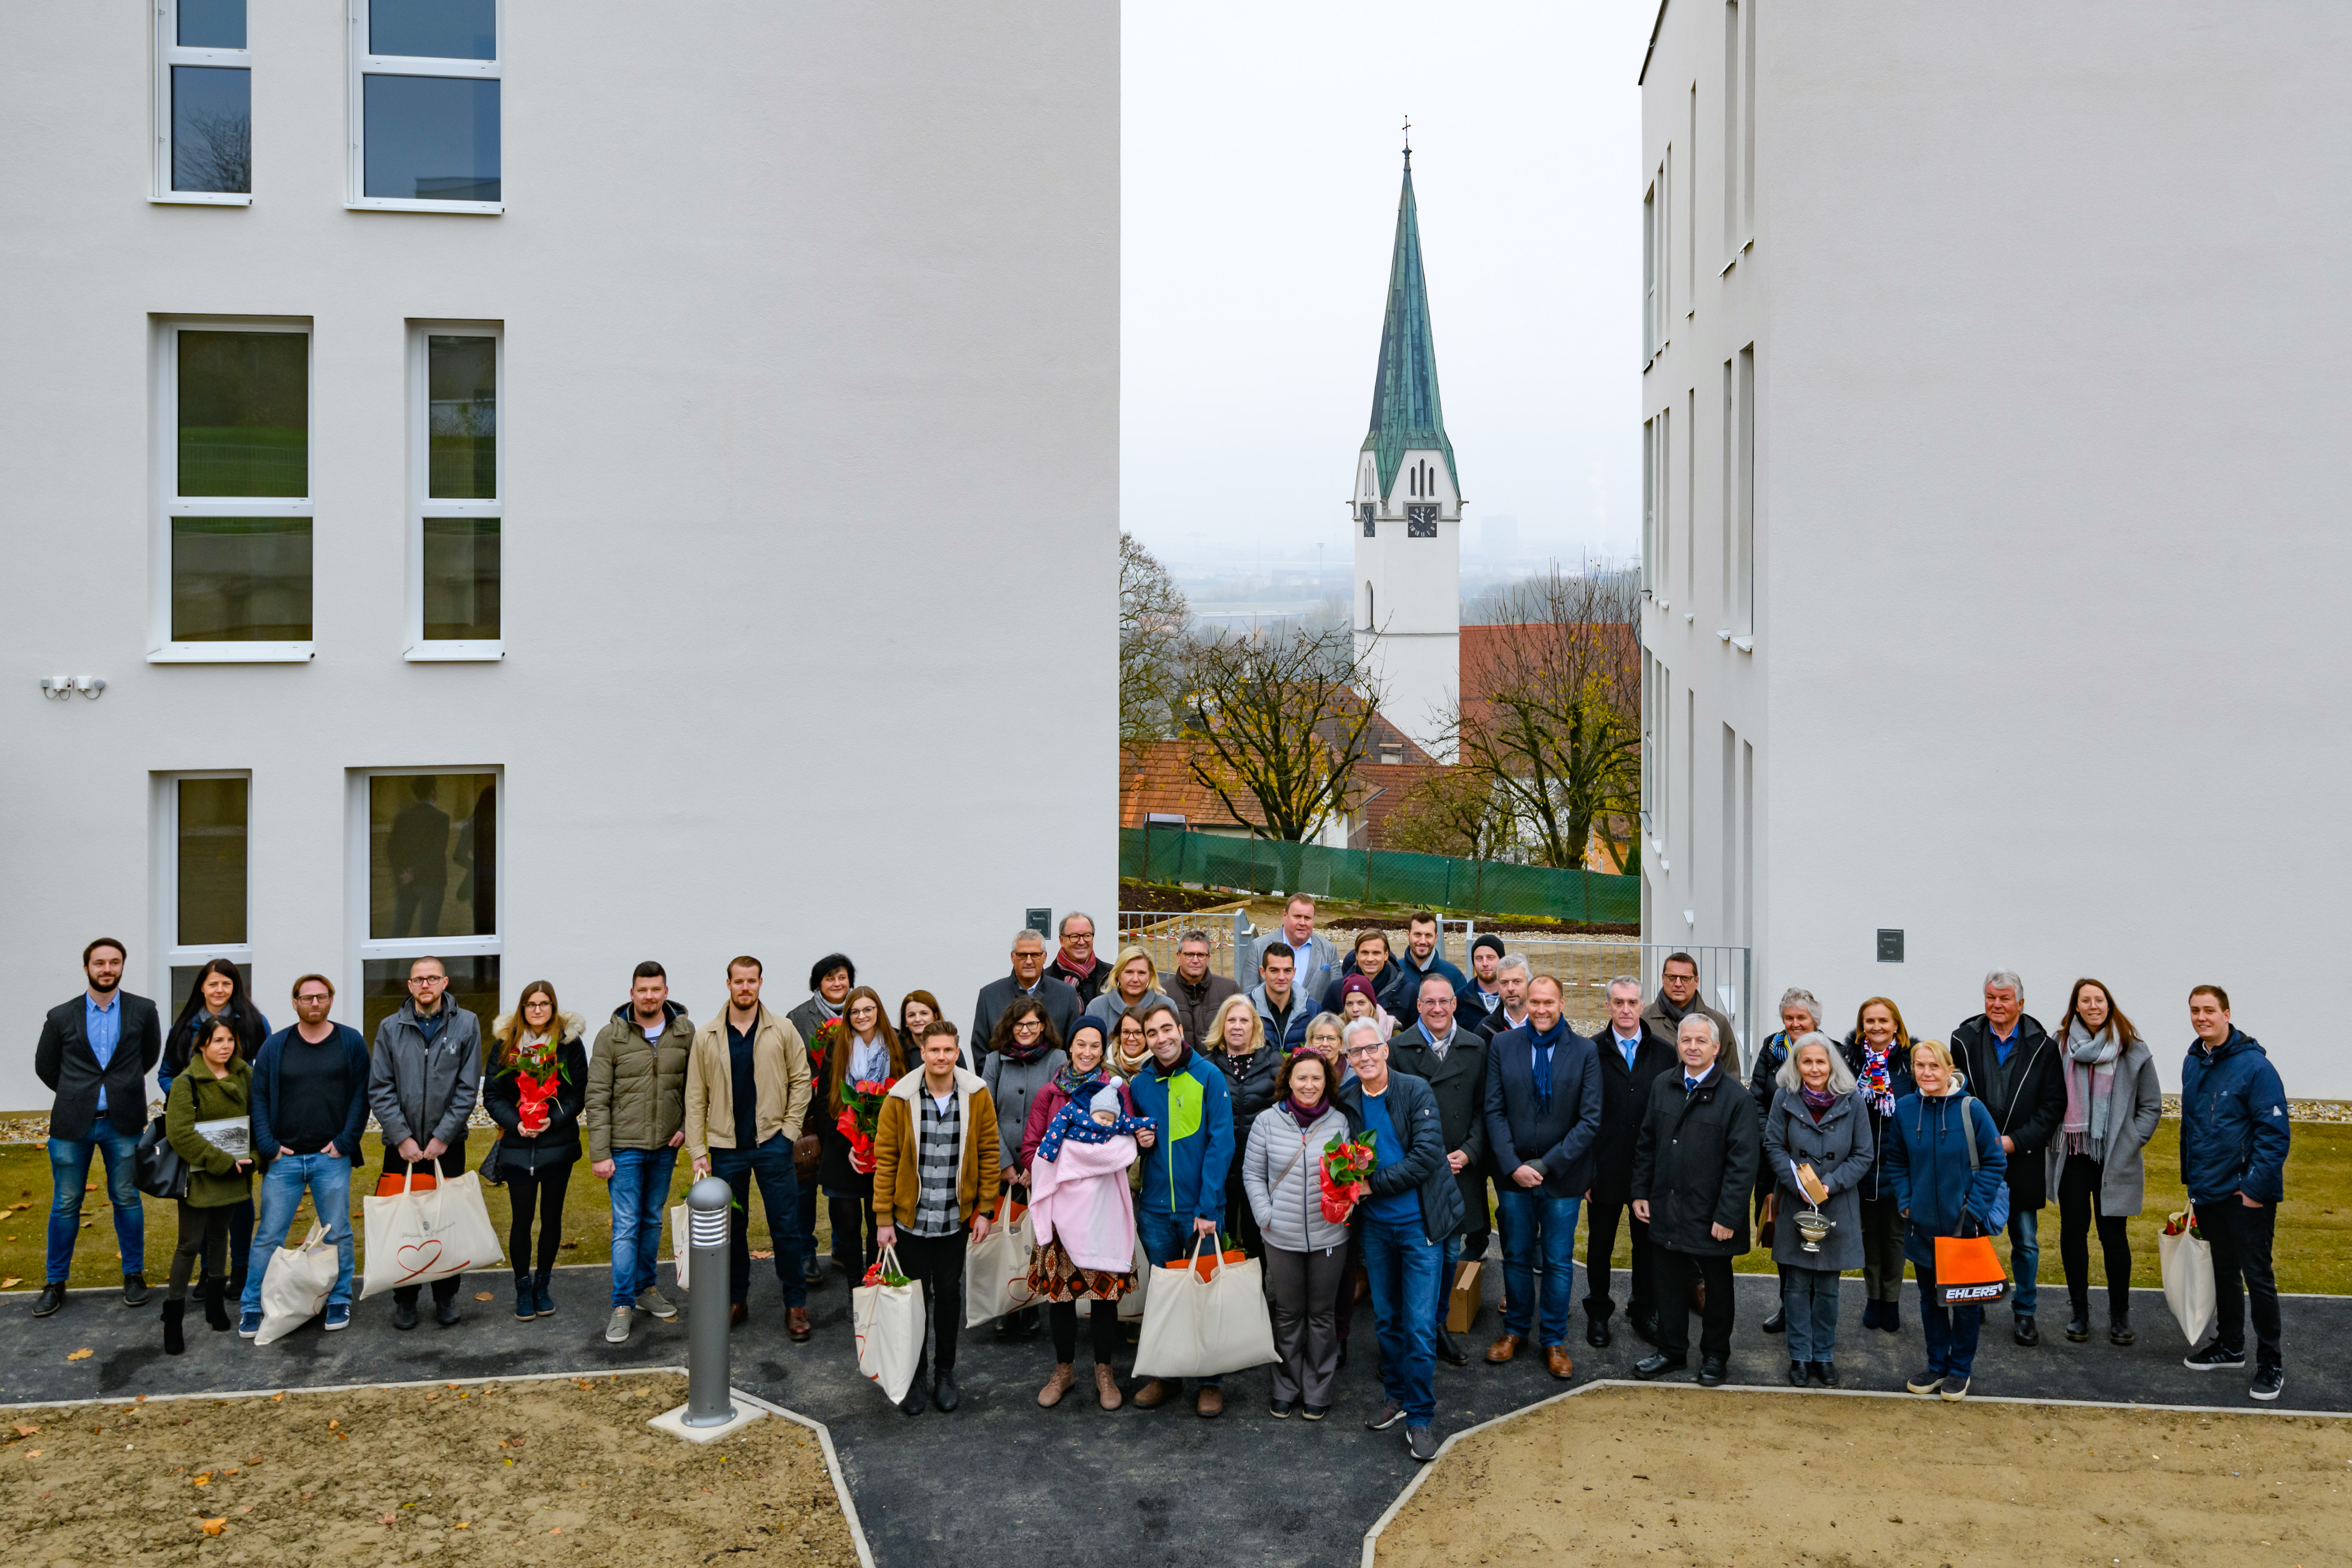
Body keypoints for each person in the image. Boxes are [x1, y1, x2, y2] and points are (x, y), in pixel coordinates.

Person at [1332, 1018, 1460, 1463]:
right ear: (1348, 1060)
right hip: (1376, 1230)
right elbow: (1341, 1159)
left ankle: (1421, 1416)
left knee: (1421, 1327)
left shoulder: (1415, 1090)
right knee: (1387, 1321)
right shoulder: (1347, 1101)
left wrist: (1370, 1187)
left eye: (1371, 1048)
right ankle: (1397, 1395)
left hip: (1420, 1226)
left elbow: (1427, 1155)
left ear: (1386, 1049)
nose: (1364, 1058)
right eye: (1355, 1053)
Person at [872, 1020, 1000, 1414]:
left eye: (949, 1050)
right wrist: (883, 1218)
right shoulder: (901, 1097)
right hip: (910, 1220)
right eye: (935, 1051)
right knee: (912, 1302)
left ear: (957, 1052)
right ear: (922, 1052)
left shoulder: (976, 1095)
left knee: (947, 1299)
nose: (942, 1057)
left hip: (953, 1220)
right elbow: (886, 1159)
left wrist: (985, 1209)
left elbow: (990, 1152)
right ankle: (913, 1377)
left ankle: (945, 1373)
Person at [34, 938, 163, 1317]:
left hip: (123, 1122)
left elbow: (149, 1056)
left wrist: (118, 1088)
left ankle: (134, 1276)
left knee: (126, 1197)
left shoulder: (143, 1010)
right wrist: (79, 1092)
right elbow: (46, 1067)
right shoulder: (61, 1016)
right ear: (87, 967)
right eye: (99, 963)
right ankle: (55, 1282)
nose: (107, 969)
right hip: (72, 1123)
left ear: (123, 966)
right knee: (65, 1202)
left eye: (114, 962)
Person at [686, 955, 814, 1337]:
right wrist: (698, 1151)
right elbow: (695, 1096)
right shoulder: (708, 1035)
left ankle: (796, 1304)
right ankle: (735, 1299)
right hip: (728, 1149)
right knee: (731, 1229)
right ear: (728, 984)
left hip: (773, 1145)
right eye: (738, 982)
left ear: (761, 983)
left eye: (752, 981)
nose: (746, 988)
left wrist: (789, 1132)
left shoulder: (783, 1030)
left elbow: (802, 1081)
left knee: (786, 1228)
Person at [1482, 975, 1603, 1376]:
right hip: (1513, 1176)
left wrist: (1547, 1165)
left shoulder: (1585, 1052)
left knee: (1557, 1261)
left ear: (1563, 1003)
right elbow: (1494, 1111)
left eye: (1549, 1002)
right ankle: (1515, 1331)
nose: (1541, 1009)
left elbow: (1589, 1121)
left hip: (1562, 1178)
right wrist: (1513, 1165)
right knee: (1515, 1256)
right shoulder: (1503, 1045)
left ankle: (1554, 1340)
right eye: (1535, 1002)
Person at [1631, 1014, 1759, 1387]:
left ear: (1716, 1048)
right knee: (1668, 1283)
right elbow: (1647, 1144)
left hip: (1712, 1214)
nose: (1692, 1047)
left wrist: (1729, 1215)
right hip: (1667, 1206)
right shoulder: (1663, 1085)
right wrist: (1640, 1191)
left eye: (1701, 1041)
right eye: (1686, 1040)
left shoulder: (1736, 1099)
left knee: (1717, 1290)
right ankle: (1671, 1351)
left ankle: (1716, 1356)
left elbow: (1743, 1165)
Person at [1021, 1018, 1142, 1411]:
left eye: (1095, 1046)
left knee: (1104, 1295)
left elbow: (1124, 1143)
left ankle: (1104, 1371)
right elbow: (1032, 1149)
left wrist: (1086, 1161)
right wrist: (1065, 1170)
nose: (1087, 1052)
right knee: (1061, 1297)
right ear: (1069, 1048)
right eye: (1080, 1045)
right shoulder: (1049, 1094)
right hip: (1061, 1210)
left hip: (1103, 1209)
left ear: (1102, 1049)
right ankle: (1064, 1370)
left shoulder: (1116, 1090)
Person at [1124, 999, 1237, 1417]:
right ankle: (1166, 1375)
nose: (1160, 1039)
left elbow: (1221, 1144)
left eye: (1165, 1029)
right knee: (1166, 1298)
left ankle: (1210, 1381)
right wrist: (1137, 1140)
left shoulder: (1209, 1076)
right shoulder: (1139, 1085)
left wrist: (1207, 1208)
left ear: (1180, 1029)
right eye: (1151, 1034)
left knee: (1205, 1295)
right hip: (1154, 1210)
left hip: (1201, 1211)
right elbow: (1127, 1139)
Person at [240, 973, 369, 1337]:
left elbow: (362, 1096)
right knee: (269, 1235)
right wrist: (268, 1147)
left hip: (332, 1158)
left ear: (330, 1000)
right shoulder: (275, 1046)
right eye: (307, 997)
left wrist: (345, 1143)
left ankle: (340, 1297)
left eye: (322, 997)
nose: (315, 1003)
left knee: (339, 1232)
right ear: (294, 1002)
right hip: (284, 1161)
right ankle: (253, 1304)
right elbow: (259, 1100)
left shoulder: (350, 1042)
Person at [2179, 985, 2290, 1402]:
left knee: (2257, 1277)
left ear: (2227, 1013)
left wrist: (2254, 1190)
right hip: (2208, 1191)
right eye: (2195, 1011)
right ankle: (2230, 1346)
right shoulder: (2194, 1062)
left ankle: (2271, 1363)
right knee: (2223, 1271)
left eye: (2209, 1010)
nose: (2201, 1017)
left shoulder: (2256, 1069)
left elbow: (2274, 1134)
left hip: (2246, 1196)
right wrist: (2192, 1181)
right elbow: (2190, 1126)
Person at [1884, 1038, 2005, 1401]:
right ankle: (1937, 1365)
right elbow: (1898, 1161)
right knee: (1929, 1298)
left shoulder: (1972, 1110)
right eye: (1920, 1066)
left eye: (1934, 1066)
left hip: (1963, 1228)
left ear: (1949, 1068)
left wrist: (1974, 1210)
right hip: (1922, 1227)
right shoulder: (1905, 1110)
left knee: (1965, 1304)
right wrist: (1907, 1203)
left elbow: (1995, 1162)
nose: (1927, 1073)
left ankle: (1960, 1370)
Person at [369, 955, 485, 1328]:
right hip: (400, 1148)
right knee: (404, 1221)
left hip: (446, 1148)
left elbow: (468, 1089)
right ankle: (405, 1298)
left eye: (432, 978)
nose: (425, 985)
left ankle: (446, 1295)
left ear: (445, 983)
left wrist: (442, 1137)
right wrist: (401, 1138)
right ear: (409, 986)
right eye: (418, 979)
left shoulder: (467, 1024)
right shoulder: (390, 1028)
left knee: (444, 1221)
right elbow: (381, 1088)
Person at [1948, 970, 2063, 1346]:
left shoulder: (2044, 1047)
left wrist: (2013, 1142)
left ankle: (2025, 1312)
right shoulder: (1962, 1040)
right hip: (1972, 1158)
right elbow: (1952, 1094)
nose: (1997, 1005)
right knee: (1970, 1234)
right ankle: (1973, 1299)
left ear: (2021, 1004)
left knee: (2025, 1241)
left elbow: (2052, 1107)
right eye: (1991, 998)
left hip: (2022, 1158)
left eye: (2005, 999)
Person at [2047, 978, 2163, 1348]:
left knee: (2114, 1237)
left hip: (2115, 1157)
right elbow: (2047, 1095)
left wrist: (2130, 1140)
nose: (2093, 1006)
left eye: (2099, 1000)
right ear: (2076, 1006)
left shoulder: (2133, 1049)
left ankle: (2120, 1315)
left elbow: (2151, 1106)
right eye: (2086, 1001)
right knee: (2073, 1232)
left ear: (2109, 1005)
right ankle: (2079, 1312)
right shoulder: (2060, 1046)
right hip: (2074, 1153)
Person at [1387, 972, 1489, 1368]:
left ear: (1455, 1004)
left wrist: (1469, 1152)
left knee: (1449, 1255)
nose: (1437, 1009)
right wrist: (1422, 1157)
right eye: (1429, 1002)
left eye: (1444, 1001)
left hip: (1460, 1170)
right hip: (1419, 1171)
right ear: (1418, 1006)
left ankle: (1437, 1325)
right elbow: (1393, 1114)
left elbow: (1484, 1109)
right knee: (1415, 1257)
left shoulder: (1476, 1047)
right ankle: (1408, 1334)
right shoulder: (1398, 1049)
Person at [1243, 1048, 1352, 1419]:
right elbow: (1253, 1174)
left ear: (1327, 1083)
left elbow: (1347, 1175)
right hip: (1280, 1234)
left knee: (1322, 1315)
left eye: (1317, 1079)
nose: (1309, 1085)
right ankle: (1285, 1386)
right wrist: (1265, 1215)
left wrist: (1344, 1203)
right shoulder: (1267, 1123)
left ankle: (1318, 1388)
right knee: (1288, 1314)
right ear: (1288, 1080)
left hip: (1329, 1237)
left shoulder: (1339, 1122)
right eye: (1301, 1077)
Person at [588, 961, 692, 1345]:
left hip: (665, 1146)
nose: (649, 996)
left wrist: (684, 1129)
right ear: (632, 993)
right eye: (642, 990)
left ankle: (647, 1290)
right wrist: (600, 1153)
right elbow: (597, 1098)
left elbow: (694, 1089)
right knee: (626, 1226)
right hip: (624, 1149)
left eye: (656, 989)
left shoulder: (684, 1032)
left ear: (666, 992)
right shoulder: (610, 1037)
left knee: (652, 1221)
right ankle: (621, 1305)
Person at [1761, 1033, 1873, 1386]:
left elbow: (1863, 1154)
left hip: (1837, 1204)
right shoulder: (1784, 1097)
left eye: (1820, 1062)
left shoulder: (1853, 1101)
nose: (1813, 1068)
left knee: (1827, 1288)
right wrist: (1796, 1183)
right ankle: (1799, 1356)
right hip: (1796, 1202)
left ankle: (1824, 1356)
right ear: (1796, 1064)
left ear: (1832, 1064)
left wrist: (1831, 1184)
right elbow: (1773, 1145)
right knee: (1795, 1286)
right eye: (1806, 1061)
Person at [484, 982, 588, 1322]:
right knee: (522, 1220)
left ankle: (543, 1286)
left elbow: (577, 1094)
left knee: (552, 1219)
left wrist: (551, 1120)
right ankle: (522, 1287)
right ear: (523, 1008)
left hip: (556, 1146)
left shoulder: (569, 1045)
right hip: (517, 1147)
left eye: (544, 1004)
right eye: (531, 1004)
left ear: (554, 1007)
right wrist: (517, 1123)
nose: (538, 1010)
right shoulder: (506, 1044)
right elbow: (494, 1095)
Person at [1583, 975, 1676, 1349]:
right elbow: (1583, 1114)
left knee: (1647, 1247)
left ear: (1642, 1006)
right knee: (1600, 1246)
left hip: (1648, 1172)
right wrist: (1586, 1170)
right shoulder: (1591, 1052)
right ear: (1608, 1006)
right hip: (1604, 1168)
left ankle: (1643, 1311)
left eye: (1632, 1002)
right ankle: (1599, 1315)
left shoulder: (1665, 1054)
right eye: (1618, 1002)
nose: (1625, 1009)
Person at [158, 1019, 254, 1352]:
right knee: (188, 1245)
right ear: (202, 1045)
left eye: (230, 1040)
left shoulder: (245, 1076)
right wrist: (222, 1162)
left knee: (220, 1236)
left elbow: (258, 1120)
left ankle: (215, 1306)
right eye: (217, 1041)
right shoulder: (186, 1083)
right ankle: (173, 1320)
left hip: (235, 1174)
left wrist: (252, 1156)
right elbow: (180, 1134)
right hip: (200, 1176)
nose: (225, 1046)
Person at [982, 995, 1065, 1339]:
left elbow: (1060, 1114)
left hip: (1041, 1165)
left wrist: (1037, 1163)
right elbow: (984, 1113)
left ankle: (1031, 1304)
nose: (1027, 1030)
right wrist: (1004, 1163)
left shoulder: (1058, 1059)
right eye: (1020, 1025)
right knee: (1004, 1237)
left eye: (1033, 1024)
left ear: (1043, 1025)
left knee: (1037, 1237)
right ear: (1009, 1028)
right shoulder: (994, 1060)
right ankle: (1004, 1306)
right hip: (1003, 1168)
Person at [1839, 997, 1918, 1333]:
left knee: (1895, 1237)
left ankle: (1892, 1299)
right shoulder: (1849, 1062)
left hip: (1899, 1163)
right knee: (1868, 1234)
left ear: (1896, 1025)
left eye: (1883, 1021)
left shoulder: (1910, 1061)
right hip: (1862, 1164)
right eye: (1869, 1021)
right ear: (1862, 1027)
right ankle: (1873, 1297)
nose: (1876, 1027)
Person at [818, 985, 906, 1285]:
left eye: (868, 1009)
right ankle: (855, 1286)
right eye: (855, 1011)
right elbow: (827, 1101)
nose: (862, 1016)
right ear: (848, 1016)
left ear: (878, 1011)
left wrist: (884, 1142)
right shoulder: (837, 1046)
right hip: (845, 1149)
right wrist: (848, 1148)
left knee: (878, 1221)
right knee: (848, 1226)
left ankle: (875, 1281)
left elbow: (904, 1094)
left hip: (883, 1147)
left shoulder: (896, 1043)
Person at [1749, 987, 1825, 1337]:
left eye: (1802, 1018)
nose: (1795, 1024)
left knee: (1812, 1236)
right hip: (1774, 1159)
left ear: (1815, 1021)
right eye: (1789, 1018)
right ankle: (1787, 1305)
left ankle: (1812, 1310)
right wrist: (1773, 1138)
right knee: (1779, 1234)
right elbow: (1757, 1099)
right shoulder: (1770, 1048)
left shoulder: (1828, 1052)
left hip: (1816, 1165)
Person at [786, 954, 856, 1290]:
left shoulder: (862, 1012)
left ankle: (844, 1247)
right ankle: (805, 1252)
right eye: (830, 978)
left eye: (842, 977)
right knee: (805, 1186)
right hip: (811, 1116)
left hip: (851, 1117)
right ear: (818, 984)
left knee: (843, 1185)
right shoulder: (798, 1018)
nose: (837, 983)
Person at [1206, 993, 1281, 1258]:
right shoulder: (1207, 1065)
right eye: (1231, 1020)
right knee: (1218, 1238)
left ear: (1255, 1026)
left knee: (1255, 1237)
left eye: (1244, 1021)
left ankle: (1255, 1296)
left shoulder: (1273, 1062)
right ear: (1222, 1026)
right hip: (1220, 1167)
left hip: (1261, 1167)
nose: (1237, 1026)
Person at [973, 929, 1083, 1051]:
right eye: (1022, 955)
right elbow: (980, 1049)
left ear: (1045, 957)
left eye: (1035, 955)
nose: (1029, 961)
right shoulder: (989, 996)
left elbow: (1073, 1046)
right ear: (1012, 957)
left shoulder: (1066, 995)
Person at [1642, 952, 1741, 1081]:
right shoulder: (1643, 1020)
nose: (1678, 984)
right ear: (1663, 978)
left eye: (1685, 978)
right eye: (1672, 977)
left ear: (1696, 981)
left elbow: (1731, 1074)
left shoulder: (1718, 1022)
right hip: (1657, 1099)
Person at [387, 776, 451, 937]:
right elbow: (437, 852)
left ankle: (392, 963)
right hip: (432, 881)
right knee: (429, 931)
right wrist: (414, 871)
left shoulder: (403, 817)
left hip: (407, 881)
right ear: (433, 792)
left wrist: (402, 874)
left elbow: (392, 848)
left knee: (400, 929)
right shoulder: (441, 818)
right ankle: (427, 963)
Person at [1379, 911, 1472, 1020]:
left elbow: (1464, 1018)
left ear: (1436, 938)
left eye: (1428, 935)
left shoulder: (1453, 975)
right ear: (1408, 935)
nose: (1423, 941)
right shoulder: (1393, 972)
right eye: (1417, 935)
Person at [1248, 895, 1341, 1002]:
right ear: (1285, 916)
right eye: (1297, 917)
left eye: (1307, 918)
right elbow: (1249, 996)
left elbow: (1338, 998)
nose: (1302, 923)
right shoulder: (1259, 947)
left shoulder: (1329, 950)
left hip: (1316, 1018)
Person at [1166, 929, 1241, 1052]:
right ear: (1178, 957)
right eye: (1189, 954)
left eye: (1201, 955)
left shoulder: (1230, 990)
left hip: (1220, 1067)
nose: (1195, 960)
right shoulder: (1163, 992)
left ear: (1208, 958)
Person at [1083, 945, 1173, 1028]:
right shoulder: (1096, 1008)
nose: (1135, 979)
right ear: (1118, 975)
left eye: (1142, 973)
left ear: (1150, 976)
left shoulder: (1167, 1006)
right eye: (1129, 972)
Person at [1247, 942, 1314, 1052]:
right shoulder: (1247, 1010)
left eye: (1287, 971)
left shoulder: (1313, 1010)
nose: (1282, 977)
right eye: (1275, 971)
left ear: (1294, 972)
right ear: (1263, 972)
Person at [1320, 928, 1403, 1016]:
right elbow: (1324, 1027)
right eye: (1365, 953)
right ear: (1357, 955)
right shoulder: (1336, 990)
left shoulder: (1406, 990)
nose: (1370, 959)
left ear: (1386, 955)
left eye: (1376, 953)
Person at [1051, 911, 1114, 1003]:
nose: (1081, 942)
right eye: (1074, 936)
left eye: (1087, 936)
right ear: (1062, 941)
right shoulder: (1046, 979)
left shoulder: (1112, 975)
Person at [1476, 954, 1533, 1041]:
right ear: (1498, 988)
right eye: (1504, 983)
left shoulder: (1545, 1023)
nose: (1510, 988)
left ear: (1529, 985)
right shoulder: (1486, 1029)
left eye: (1517, 982)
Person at [1338, 973, 1399, 1040]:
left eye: (1361, 1003)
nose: (1355, 1009)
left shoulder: (1393, 1030)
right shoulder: (1337, 1031)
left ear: (1372, 1005)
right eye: (1349, 1004)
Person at [1465, 934, 1506, 1019]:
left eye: (1490, 958)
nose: (1485, 964)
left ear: (1502, 961)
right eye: (1479, 959)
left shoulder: (1516, 998)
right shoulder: (1460, 1001)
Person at [1110, 1008, 1152, 1078]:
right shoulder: (1105, 1066)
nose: (1131, 1039)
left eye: (1138, 1032)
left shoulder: (1159, 1067)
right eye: (1126, 1032)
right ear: (1120, 1034)